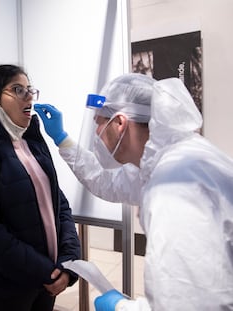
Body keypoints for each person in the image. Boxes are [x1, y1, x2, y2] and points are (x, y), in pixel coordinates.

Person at [34, 73, 233, 310]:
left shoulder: (174, 188)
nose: (96, 132)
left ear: (119, 124)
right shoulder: (170, 158)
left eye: (99, 122)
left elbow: (189, 303)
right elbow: (106, 181)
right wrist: (62, 139)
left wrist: (120, 307)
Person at [0, 64, 81, 311]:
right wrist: (45, 272)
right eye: (18, 89)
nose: (29, 96)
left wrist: (68, 262)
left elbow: (59, 205)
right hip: (7, 291)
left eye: (30, 89)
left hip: (46, 284)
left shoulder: (33, 143)